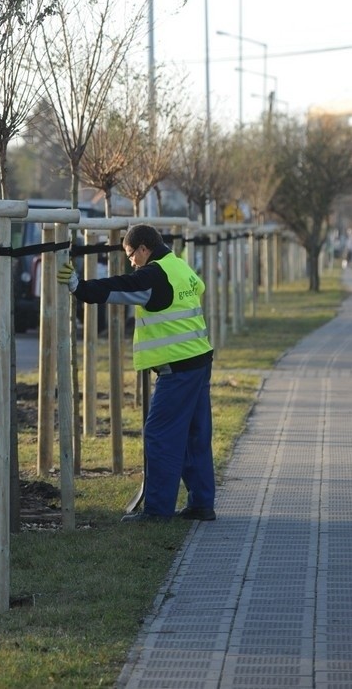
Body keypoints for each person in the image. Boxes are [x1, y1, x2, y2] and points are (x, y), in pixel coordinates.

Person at [57, 223, 216, 523]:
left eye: (131, 255)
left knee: (160, 435)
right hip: (199, 361)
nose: (130, 262)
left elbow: (119, 288)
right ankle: (202, 504)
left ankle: (157, 510)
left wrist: (79, 287)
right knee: (196, 436)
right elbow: (199, 288)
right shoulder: (178, 265)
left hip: (178, 368)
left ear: (145, 248)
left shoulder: (153, 275)